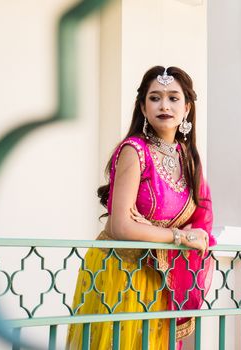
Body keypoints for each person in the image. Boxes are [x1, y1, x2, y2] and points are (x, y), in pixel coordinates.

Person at [67, 66, 216, 349]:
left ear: (187, 108)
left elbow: (202, 225)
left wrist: (155, 230)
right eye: (155, 97)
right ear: (142, 107)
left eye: (173, 98)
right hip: (120, 272)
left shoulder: (189, 159)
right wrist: (180, 236)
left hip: (161, 278)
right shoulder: (134, 151)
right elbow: (121, 227)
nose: (164, 105)